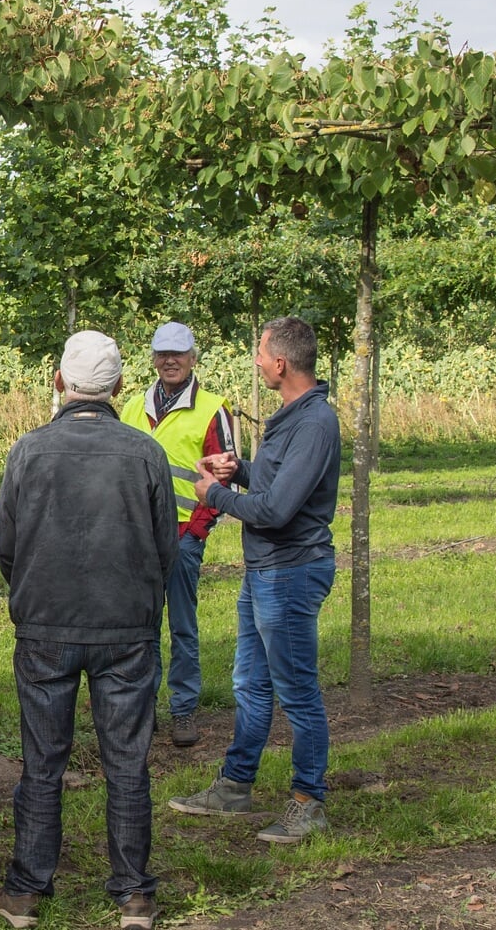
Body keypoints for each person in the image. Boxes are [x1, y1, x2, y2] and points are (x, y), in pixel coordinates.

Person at [0, 332, 176, 930]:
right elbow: (165, 547)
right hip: (125, 626)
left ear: (59, 383)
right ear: (119, 388)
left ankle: (26, 891)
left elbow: (6, 547)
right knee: (127, 760)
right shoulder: (144, 452)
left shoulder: (28, 451)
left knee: (42, 761)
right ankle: (134, 895)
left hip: (46, 626)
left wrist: (37, 596)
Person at [171, 316, 341, 844]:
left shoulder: (314, 423)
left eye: (261, 354)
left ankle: (308, 801)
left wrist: (212, 495)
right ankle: (236, 786)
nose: (257, 361)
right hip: (265, 571)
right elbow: (274, 482)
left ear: (282, 363)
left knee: (297, 691)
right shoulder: (291, 415)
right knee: (251, 683)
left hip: (289, 572)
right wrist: (236, 469)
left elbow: (277, 509)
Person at [118, 321, 237, 747]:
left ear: (192, 357)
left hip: (184, 536)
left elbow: (224, 477)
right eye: (162, 354)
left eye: (178, 354)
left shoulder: (212, 408)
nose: (170, 361)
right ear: (152, 357)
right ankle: (142, 709)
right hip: (136, 537)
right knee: (139, 628)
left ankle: (183, 710)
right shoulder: (132, 406)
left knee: (182, 628)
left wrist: (196, 535)